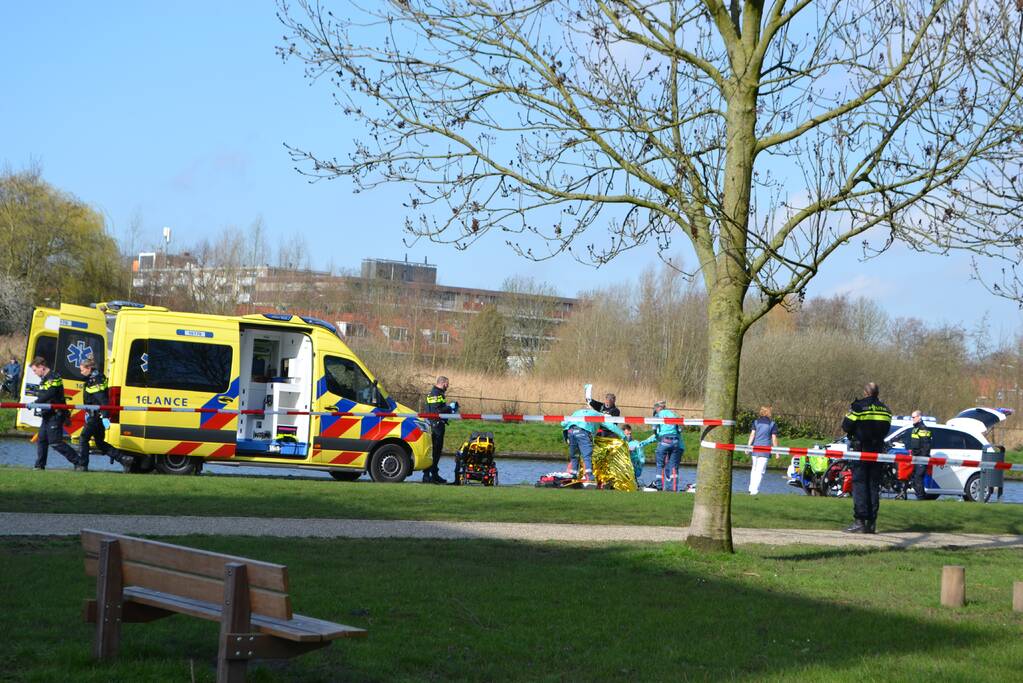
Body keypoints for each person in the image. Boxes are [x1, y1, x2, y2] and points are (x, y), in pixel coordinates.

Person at [841, 382, 892, 534]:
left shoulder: (858, 407)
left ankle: (860, 522)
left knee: (860, 485)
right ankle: (871, 523)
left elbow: (846, 426)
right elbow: (886, 430)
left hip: (861, 450)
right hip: (878, 452)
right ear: (877, 393)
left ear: (865, 392)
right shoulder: (886, 410)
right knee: (873, 486)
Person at [28, 356, 81, 471]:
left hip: (55, 414)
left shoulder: (54, 377)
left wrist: (35, 403)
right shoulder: (44, 379)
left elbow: (50, 394)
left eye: (35, 370)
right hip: (46, 415)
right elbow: (43, 395)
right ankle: (39, 466)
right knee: (42, 440)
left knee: (55, 442)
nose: (35, 373)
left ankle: (79, 462)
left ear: (41, 367)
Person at [77, 357, 130, 472]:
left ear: (89, 368)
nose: (81, 372)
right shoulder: (97, 377)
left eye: (82, 370)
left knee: (83, 438)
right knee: (100, 443)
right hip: (96, 415)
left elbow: (103, 401)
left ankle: (82, 465)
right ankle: (124, 459)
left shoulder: (95, 381)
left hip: (96, 416)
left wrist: (105, 416)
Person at [560, 408, 626, 481]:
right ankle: (588, 475)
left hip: (571, 431)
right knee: (586, 456)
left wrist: (566, 436)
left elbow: (563, 423)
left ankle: (573, 474)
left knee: (574, 455)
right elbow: (612, 427)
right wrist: (623, 436)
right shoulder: (600, 416)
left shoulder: (578, 411)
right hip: (583, 432)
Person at [423, 375, 457, 484]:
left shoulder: (436, 393)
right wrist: (450, 407)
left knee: (436, 452)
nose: (448, 386)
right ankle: (428, 476)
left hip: (436, 424)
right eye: (447, 384)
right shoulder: (435, 394)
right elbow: (437, 411)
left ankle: (434, 474)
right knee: (435, 451)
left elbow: (438, 409)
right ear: (443, 383)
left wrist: (450, 411)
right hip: (436, 426)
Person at [651, 400, 685, 492]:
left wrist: (657, 435)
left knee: (660, 464)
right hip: (675, 441)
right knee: (673, 466)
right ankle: (673, 488)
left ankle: (659, 486)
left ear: (658, 408)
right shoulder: (673, 413)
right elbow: (680, 429)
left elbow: (654, 428)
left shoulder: (657, 415)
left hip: (664, 439)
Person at [747, 406, 779, 496]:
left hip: (755, 449)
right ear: (768, 413)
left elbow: (752, 435)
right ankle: (754, 490)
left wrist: (748, 447)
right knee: (760, 471)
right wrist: (777, 452)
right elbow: (774, 438)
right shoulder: (772, 424)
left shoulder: (756, 422)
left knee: (754, 469)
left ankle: (750, 488)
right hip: (765, 450)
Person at [907, 410, 932, 500]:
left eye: (913, 417)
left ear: (919, 417)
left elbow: (926, 446)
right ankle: (920, 497)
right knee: (914, 478)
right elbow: (915, 444)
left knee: (918, 478)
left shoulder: (923, 429)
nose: (912, 419)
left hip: (921, 458)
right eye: (912, 417)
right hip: (916, 457)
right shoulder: (915, 428)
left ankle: (921, 498)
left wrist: (922, 459)